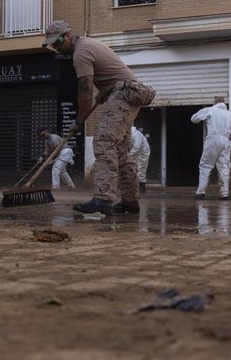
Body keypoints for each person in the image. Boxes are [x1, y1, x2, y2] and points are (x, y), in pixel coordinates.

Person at [43, 20, 155, 215]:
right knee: (120, 151)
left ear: (68, 34)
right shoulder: (87, 44)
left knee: (104, 141)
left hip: (124, 93)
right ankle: (130, 201)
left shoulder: (81, 52)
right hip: (126, 92)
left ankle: (103, 198)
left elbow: (85, 89)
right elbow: (112, 74)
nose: (56, 46)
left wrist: (79, 120)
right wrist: (104, 92)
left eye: (58, 41)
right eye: (52, 44)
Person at [191, 97, 231, 200]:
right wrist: (226, 138)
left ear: (215, 102)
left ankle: (201, 192)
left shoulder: (210, 110)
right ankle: (224, 194)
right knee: (224, 167)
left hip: (212, 140)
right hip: (225, 141)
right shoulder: (230, 114)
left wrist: (204, 118)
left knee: (205, 166)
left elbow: (194, 119)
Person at [130, 126, 151, 195]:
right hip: (139, 152)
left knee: (141, 169)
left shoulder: (135, 135)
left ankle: (142, 188)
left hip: (143, 153)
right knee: (136, 168)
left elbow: (136, 147)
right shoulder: (132, 134)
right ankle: (137, 187)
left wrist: (129, 155)